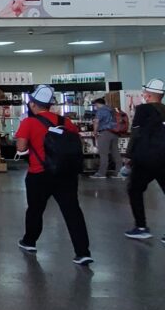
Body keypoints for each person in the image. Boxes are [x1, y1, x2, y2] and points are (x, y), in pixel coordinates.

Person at [15, 85, 93, 266]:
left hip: (39, 174)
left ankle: (29, 242)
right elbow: (76, 143)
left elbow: (21, 148)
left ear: (34, 104)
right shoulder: (66, 122)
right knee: (73, 211)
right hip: (66, 173)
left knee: (35, 209)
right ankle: (83, 252)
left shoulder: (29, 122)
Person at [124, 78, 165, 240]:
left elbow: (136, 134)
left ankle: (141, 226)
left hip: (145, 158)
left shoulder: (142, 110)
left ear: (148, 95)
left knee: (134, 189)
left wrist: (129, 156)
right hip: (164, 157)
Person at [91, 97, 123, 179]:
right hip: (115, 133)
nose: (95, 106)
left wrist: (95, 132)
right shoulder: (112, 109)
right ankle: (120, 173)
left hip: (104, 133)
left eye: (95, 105)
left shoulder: (101, 110)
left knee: (103, 154)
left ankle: (101, 173)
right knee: (116, 153)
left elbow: (96, 121)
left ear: (98, 104)